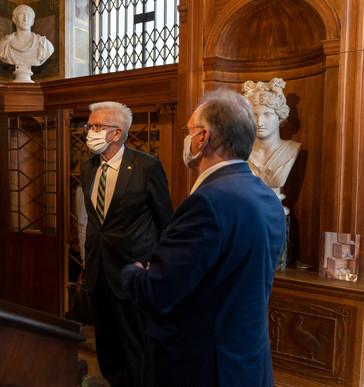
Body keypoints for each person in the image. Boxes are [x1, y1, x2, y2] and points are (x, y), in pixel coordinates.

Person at [121, 89, 287, 387]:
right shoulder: (267, 197)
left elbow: (158, 292)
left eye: (188, 131)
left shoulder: (207, 201)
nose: (187, 138)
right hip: (249, 361)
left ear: (203, 138)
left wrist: (132, 272)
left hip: (202, 365)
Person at [81, 101, 173, 386]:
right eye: (89, 126)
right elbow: (95, 221)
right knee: (106, 348)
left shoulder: (147, 166)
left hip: (133, 272)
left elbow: (166, 223)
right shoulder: (88, 167)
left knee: (136, 348)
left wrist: (154, 266)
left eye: (96, 127)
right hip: (98, 270)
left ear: (117, 133)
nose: (89, 132)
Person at [242, 78, 300, 211]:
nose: (259, 122)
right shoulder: (241, 152)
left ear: (280, 117)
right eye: (254, 115)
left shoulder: (292, 150)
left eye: (267, 114)